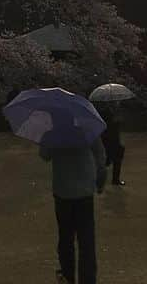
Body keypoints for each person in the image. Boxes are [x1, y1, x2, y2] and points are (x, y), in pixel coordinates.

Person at [39, 116, 106, 284]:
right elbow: (99, 152)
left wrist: (45, 137)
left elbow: (44, 156)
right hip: (84, 192)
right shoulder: (85, 131)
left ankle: (68, 276)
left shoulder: (52, 134)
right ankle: (88, 280)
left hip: (63, 192)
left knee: (66, 238)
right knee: (87, 241)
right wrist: (100, 177)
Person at [96, 103, 126, 186]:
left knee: (115, 160)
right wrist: (117, 120)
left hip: (111, 139)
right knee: (109, 161)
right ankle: (112, 180)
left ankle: (115, 180)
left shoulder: (110, 110)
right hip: (109, 138)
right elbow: (109, 124)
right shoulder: (105, 111)